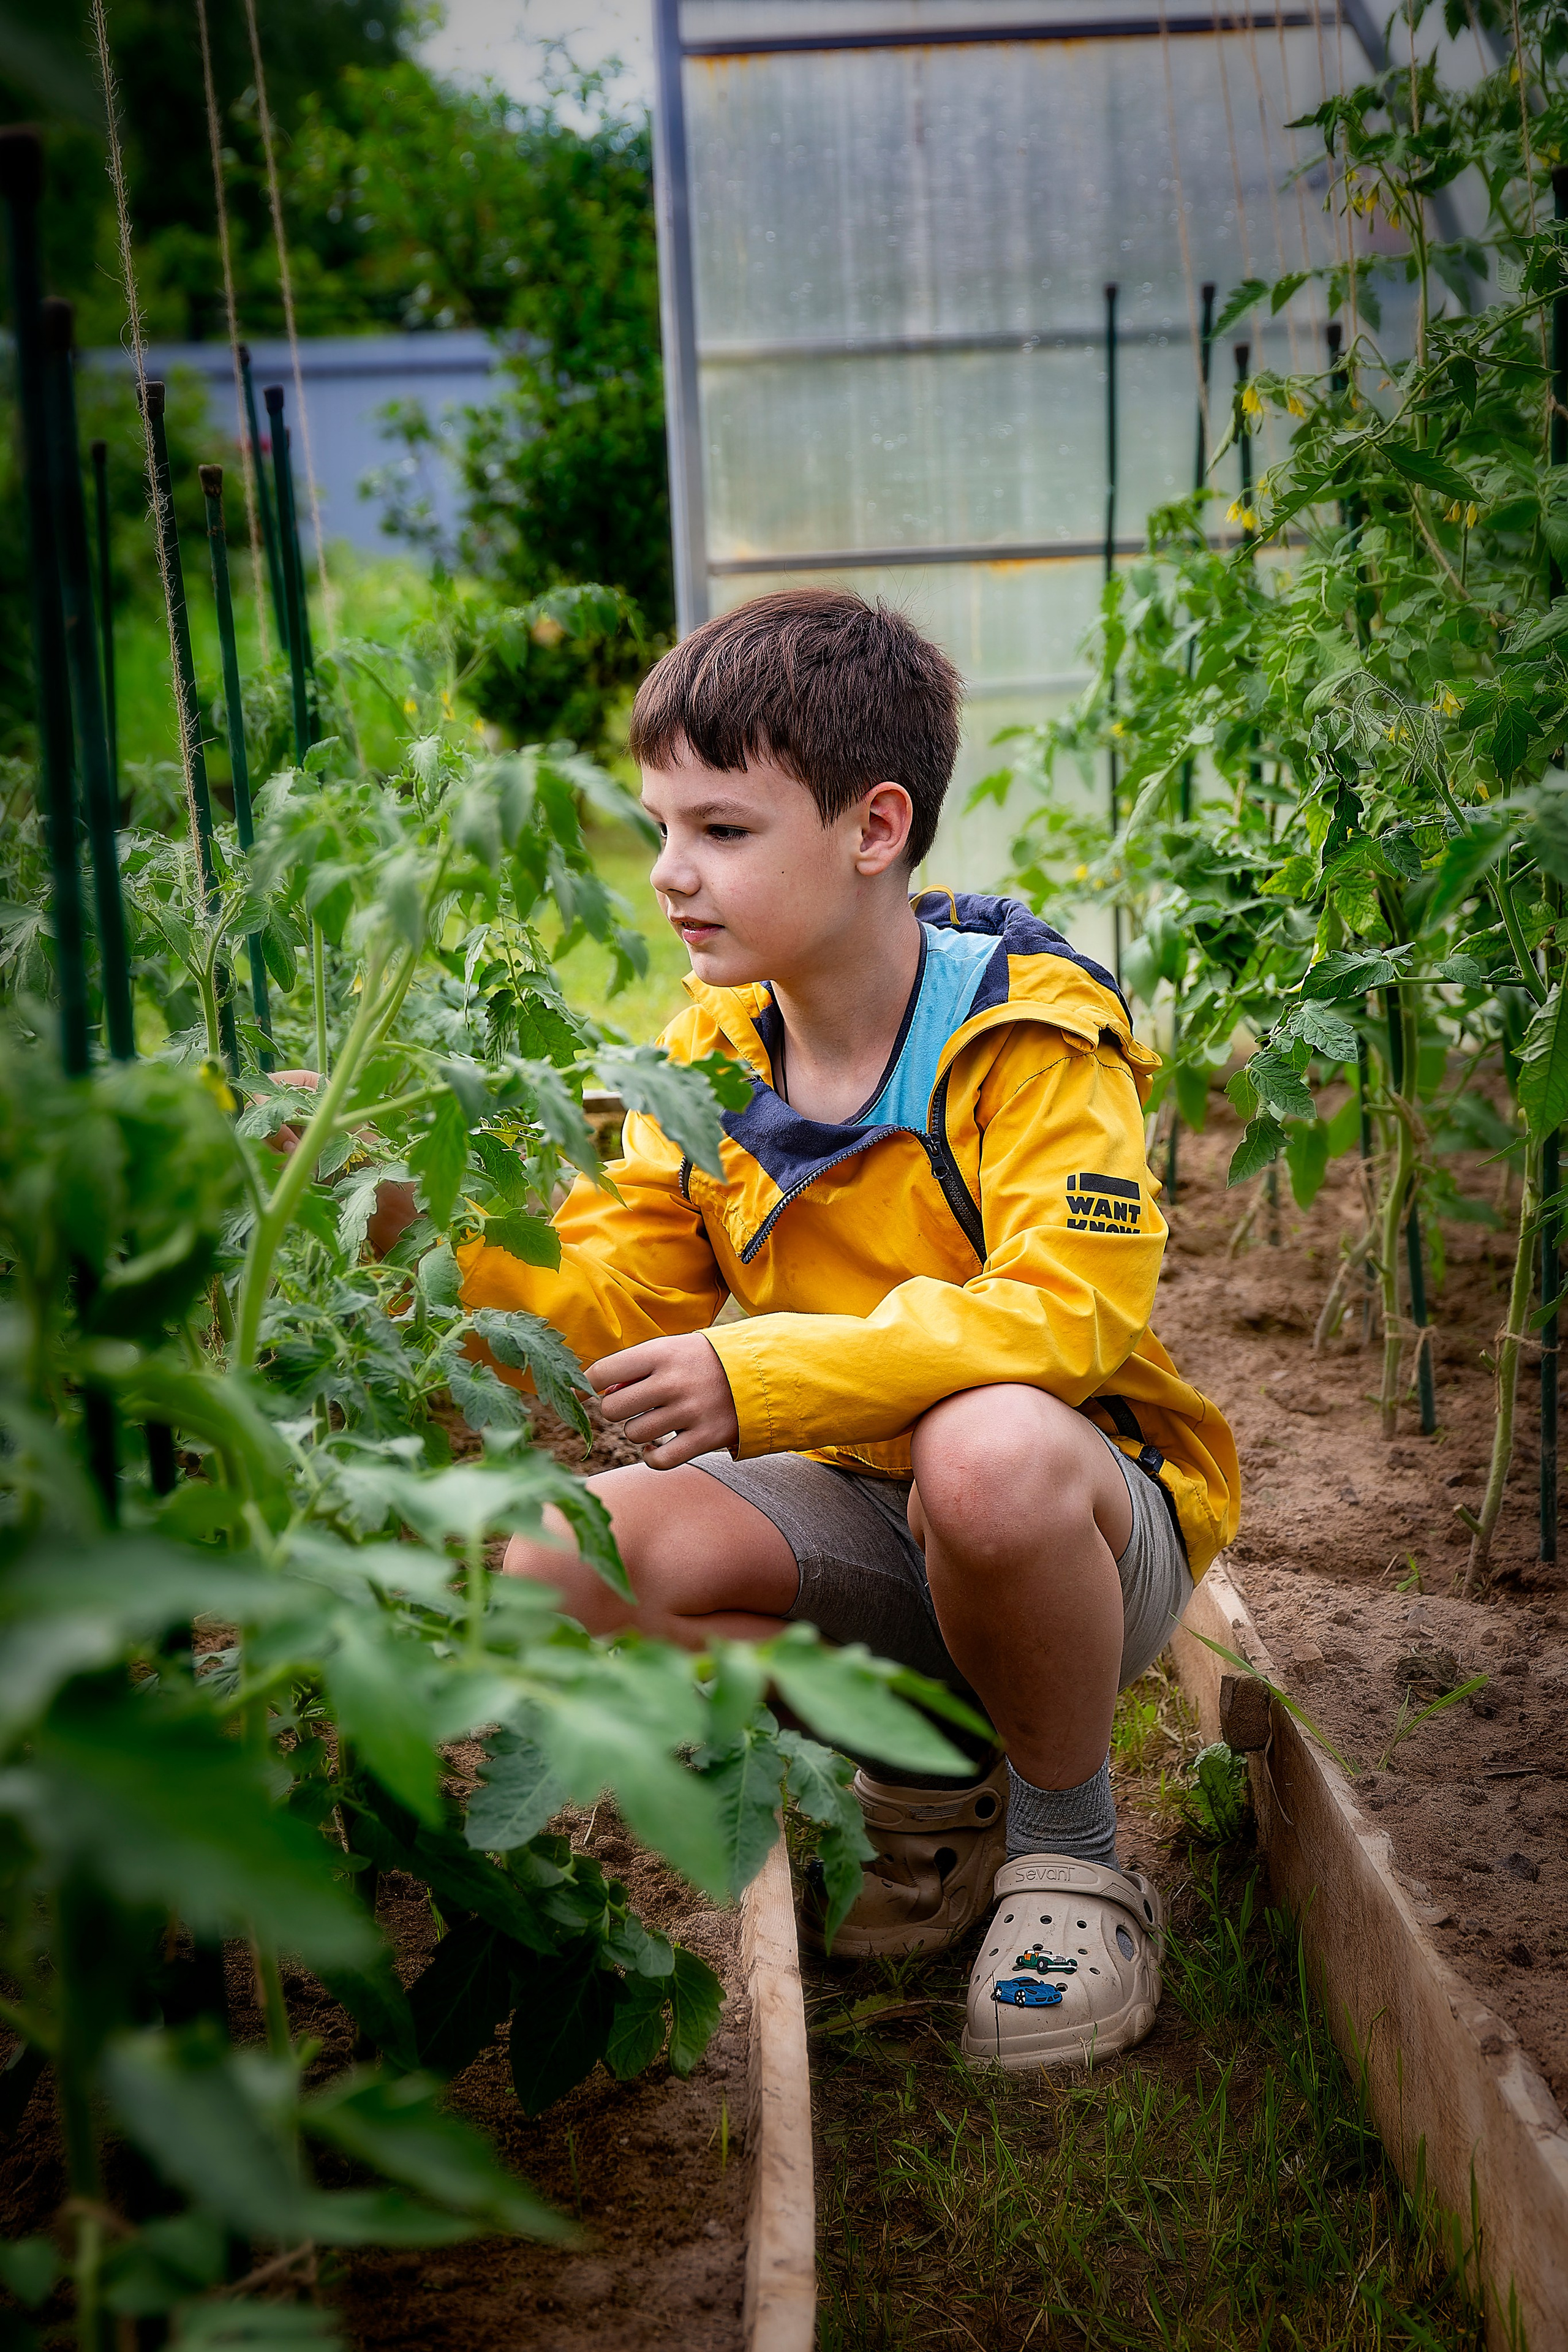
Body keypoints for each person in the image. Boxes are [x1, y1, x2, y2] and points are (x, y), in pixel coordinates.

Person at [455, 588, 1240, 2070]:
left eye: (723, 831)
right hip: (865, 1515)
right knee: (558, 1562)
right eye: (659, 827)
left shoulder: (1032, 1034)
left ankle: (1071, 1856)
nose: (671, 875)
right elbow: (625, 1302)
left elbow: (1063, 1318)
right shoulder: (708, 1049)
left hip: (1068, 1527)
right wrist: (433, 1241)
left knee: (987, 1445)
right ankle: (923, 1780)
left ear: (874, 829)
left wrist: (757, 1376)